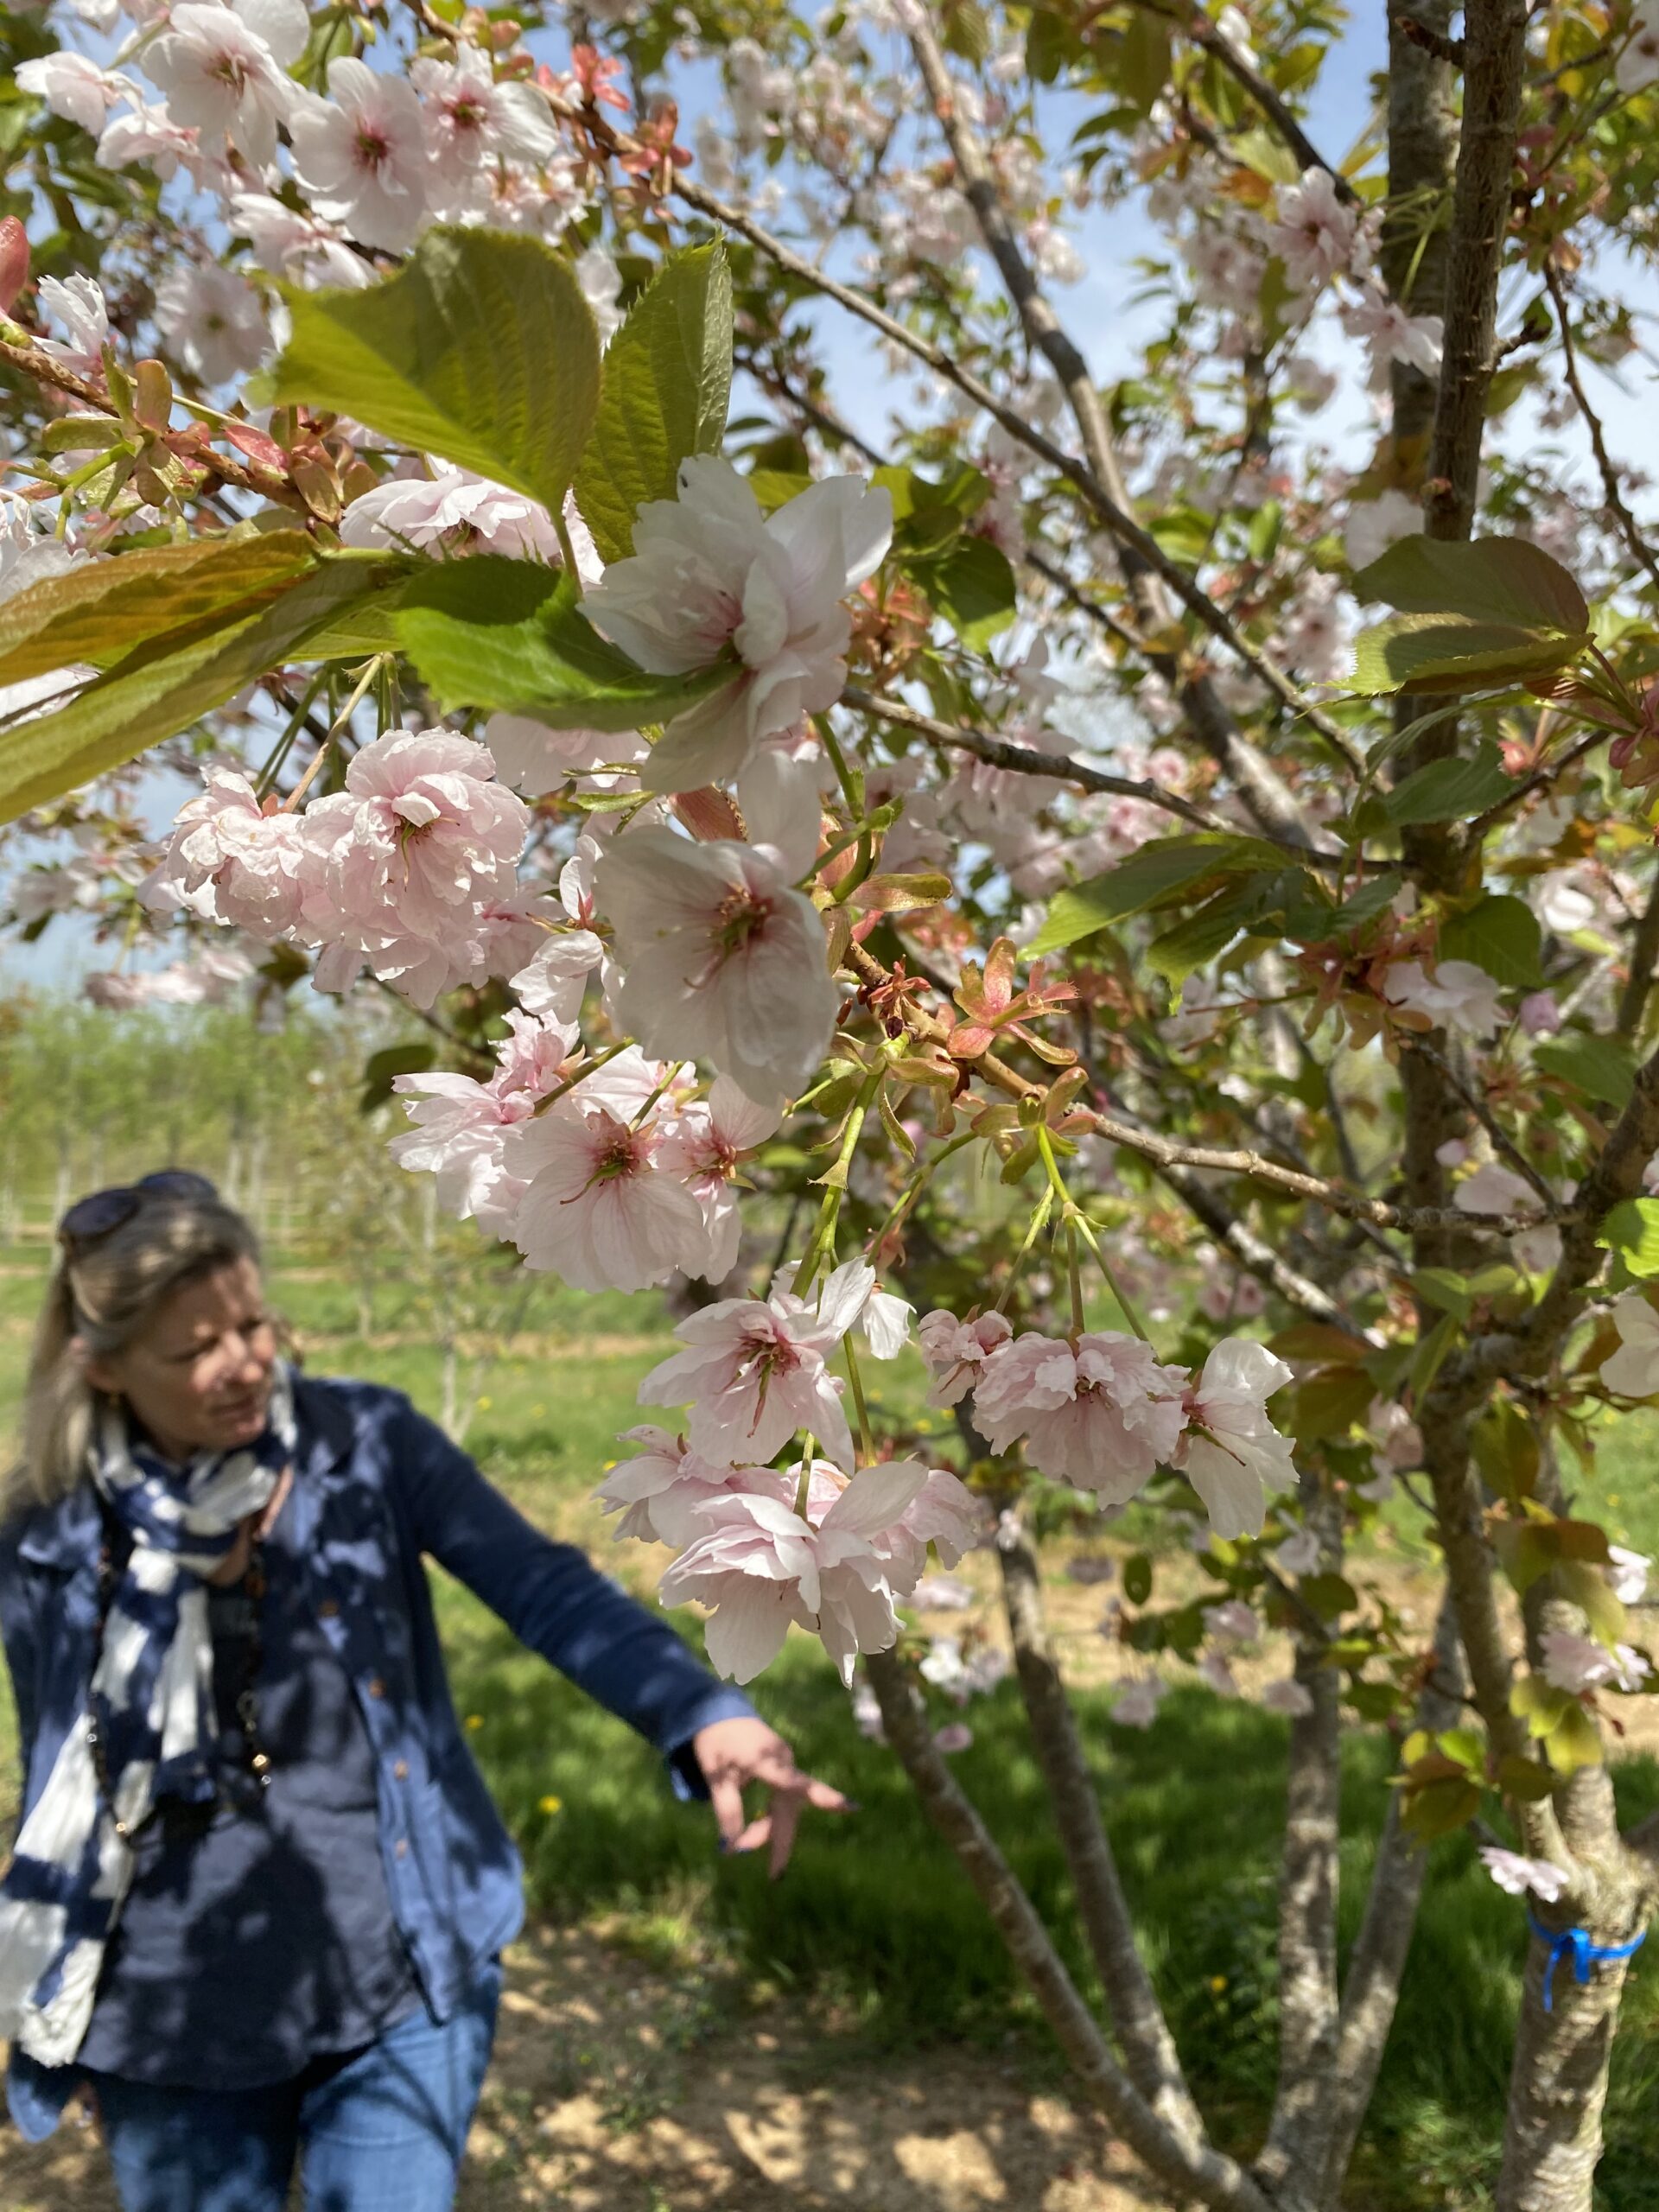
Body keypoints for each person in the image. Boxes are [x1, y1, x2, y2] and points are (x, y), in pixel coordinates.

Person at [0, 1173, 848, 2210]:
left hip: (402, 1977)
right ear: (104, 1368)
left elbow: (541, 1583)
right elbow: (59, 1777)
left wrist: (698, 1710)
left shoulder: (362, 1445)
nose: (245, 1367)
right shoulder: (47, 1535)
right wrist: (56, 1981)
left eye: (255, 1325)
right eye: (194, 1350)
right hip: (172, 2018)